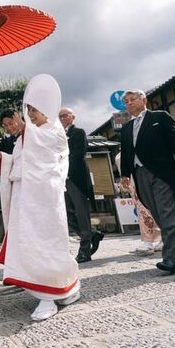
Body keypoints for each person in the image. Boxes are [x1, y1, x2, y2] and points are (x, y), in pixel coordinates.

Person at [0, 74, 80, 321]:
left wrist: (27, 131)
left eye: (34, 109)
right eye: (28, 109)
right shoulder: (27, 135)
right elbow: (20, 162)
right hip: (24, 199)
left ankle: (49, 296)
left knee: (45, 244)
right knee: (27, 243)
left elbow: (48, 159)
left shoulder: (53, 132)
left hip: (43, 200)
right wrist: (3, 159)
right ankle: (56, 288)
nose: (30, 114)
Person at [119, 90, 175, 275]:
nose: (130, 103)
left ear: (144, 99)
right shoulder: (127, 127)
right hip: (140, 173)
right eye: (126, 101)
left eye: (133, 99)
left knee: (167, 212)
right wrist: (125, 174)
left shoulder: (160, 117)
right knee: (158, 214)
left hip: (162, 172)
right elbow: (127, 152)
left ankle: (170, 259)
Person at [58, 107, 104, 262]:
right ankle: (92, 234)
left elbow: (78, 154)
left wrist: (64, 167)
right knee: (68, 215)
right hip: (62, 180)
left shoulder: (79, 132)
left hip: (76, 178)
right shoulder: (57, 134)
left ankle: (85, 250)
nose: (63, 118)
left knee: (81, 214)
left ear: (73, 117)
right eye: (60, 116)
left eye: (66, 115)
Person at [115, 152, 162, 255]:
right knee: (144, 212)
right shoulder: (123, 153)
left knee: (146, 212)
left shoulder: (126, 153)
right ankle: (156, 239)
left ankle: (150, 241)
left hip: (140, 181)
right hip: (135, 183)